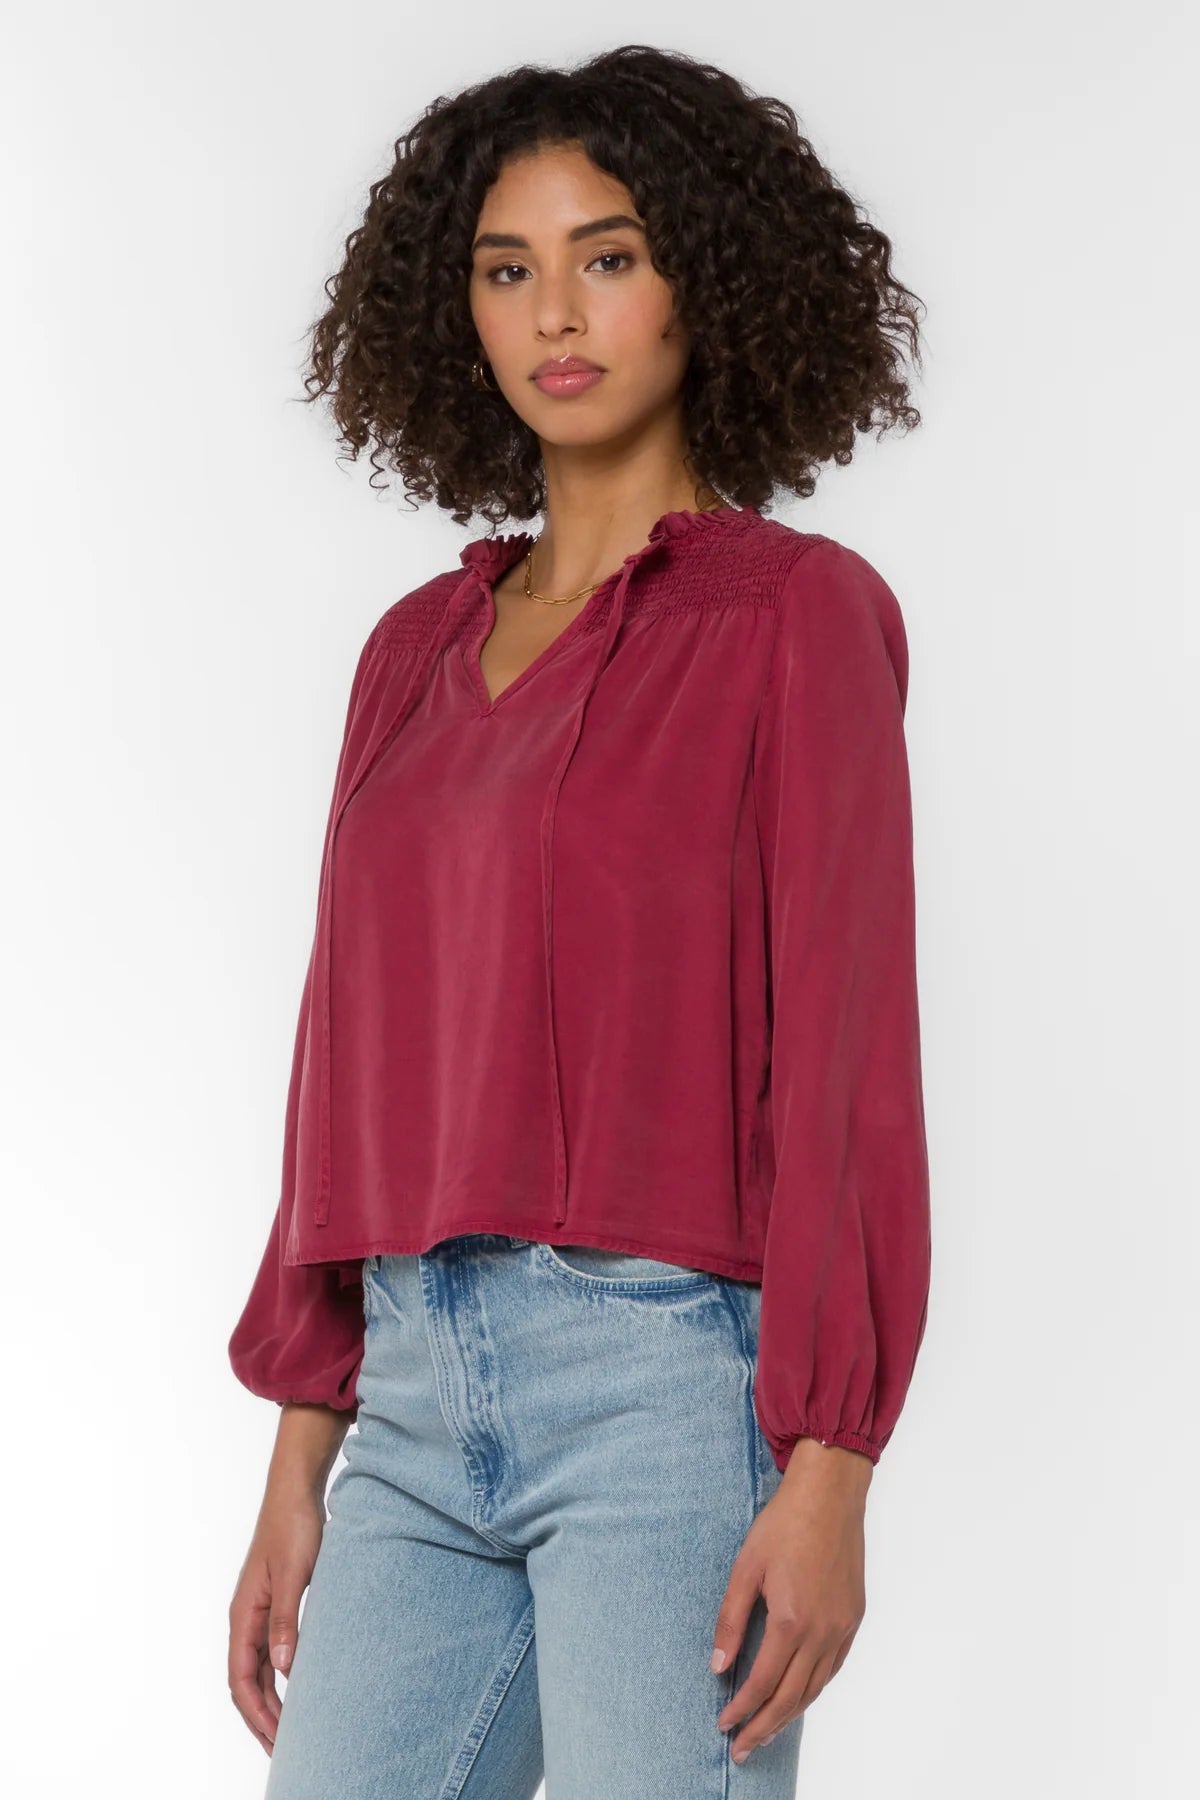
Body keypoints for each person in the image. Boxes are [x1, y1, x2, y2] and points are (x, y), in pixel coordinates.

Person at [226, 43, 931, 1799]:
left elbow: (846, 1049)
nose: (556, 313)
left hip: (664, 1391)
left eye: (608, 256)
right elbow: (345, 1056)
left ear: (707, 278)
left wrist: (833, 1465)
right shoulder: (410, 654)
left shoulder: (795, 621)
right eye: (507, 268)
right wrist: (301, 1453)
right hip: (408, 1396)